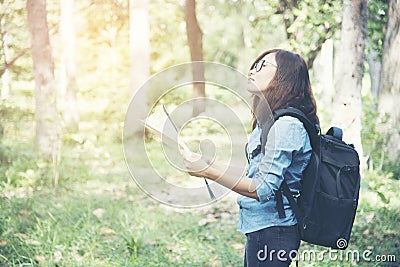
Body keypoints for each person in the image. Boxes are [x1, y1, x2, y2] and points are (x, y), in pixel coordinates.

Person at [181, 49, 319, 266]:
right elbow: (254, 173)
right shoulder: (270, 121)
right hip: (262, 227)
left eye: (262, 66)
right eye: (254, 65)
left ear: (284, 76)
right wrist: (208, 163)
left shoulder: (287, 126)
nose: (252, 70)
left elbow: (261, 188)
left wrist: (209, 172)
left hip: (275, 232)